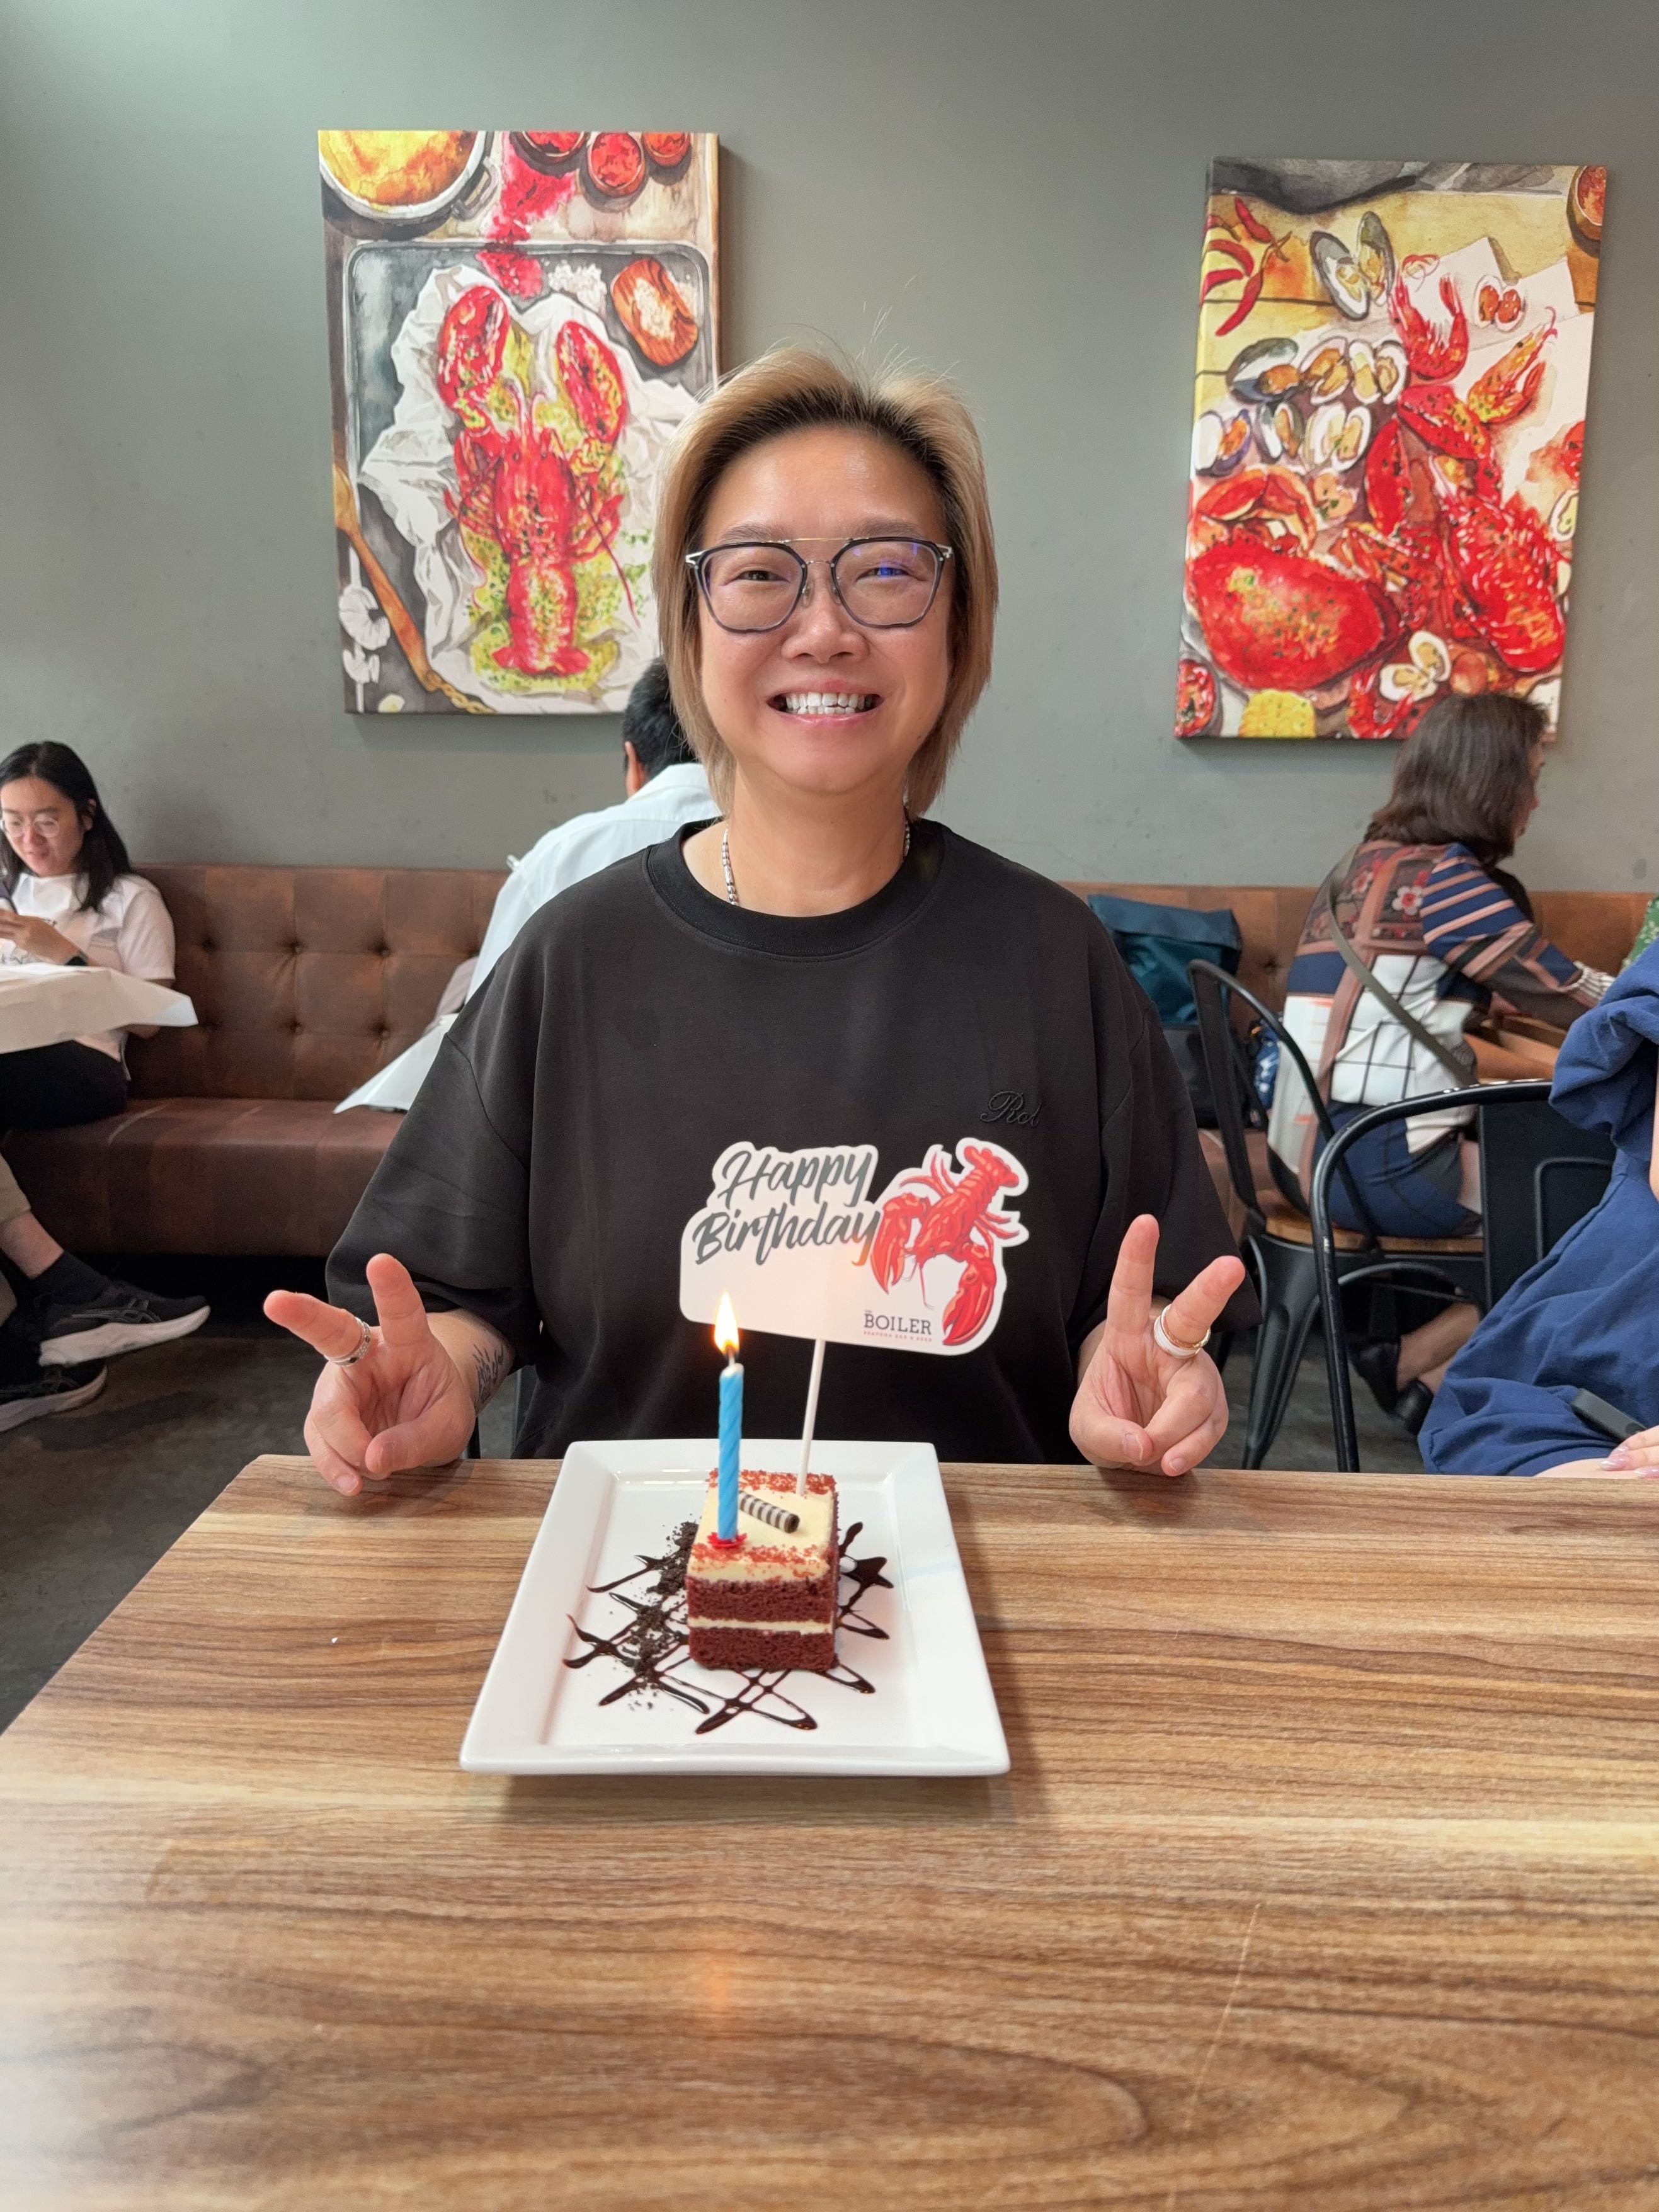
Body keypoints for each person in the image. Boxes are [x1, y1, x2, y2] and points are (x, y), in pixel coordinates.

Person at [268, 348, 1256, 1495]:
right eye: (756, 574)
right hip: (621, 1585)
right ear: (690, 630)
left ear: (957, 627)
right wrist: (435, 1367)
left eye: (884, 570)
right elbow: (456, 1300)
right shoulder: (573, 960)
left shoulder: (1052, 963)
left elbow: (1131, 1313)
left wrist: (1141, 1379)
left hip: (976, 1588)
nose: (823, 628)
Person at [1268, 695, 1611, 1432]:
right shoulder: (1446, 882)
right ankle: (1424, 1364)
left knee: (1568, 1199)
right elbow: (1578, 995)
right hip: (1378, 1164)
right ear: (1491, 780)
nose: (1535, 799)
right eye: (1531, 776)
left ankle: (1423, 1369)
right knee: (1598, 1210)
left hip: (1306, 1151)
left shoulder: (1362, 866)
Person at [336, 661, 713, 1113]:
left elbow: (488, 1031)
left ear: (633, 763)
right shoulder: (773, 851)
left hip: (569, 1117)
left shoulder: (557, 856)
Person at [0, 741, 209, 1370]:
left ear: (86, 815)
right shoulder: (6, 895)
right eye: (12, 822)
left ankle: (65, 1300)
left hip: (86, 1068)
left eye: (46, 820)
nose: (29, 839)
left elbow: (151, 1020)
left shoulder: (129, 898)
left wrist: (65, 954)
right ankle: (51, 1313)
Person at [1419, 936, 1659, 1477]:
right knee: (1531, 1189)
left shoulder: (1358, 894)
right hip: (1404, 1162)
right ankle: (1438, 1368)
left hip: (1332, 1147)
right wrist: (1590, 999)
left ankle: (1423, 1365)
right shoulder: (1448, 893)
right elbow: (1537, 974)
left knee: (1552, 1211)